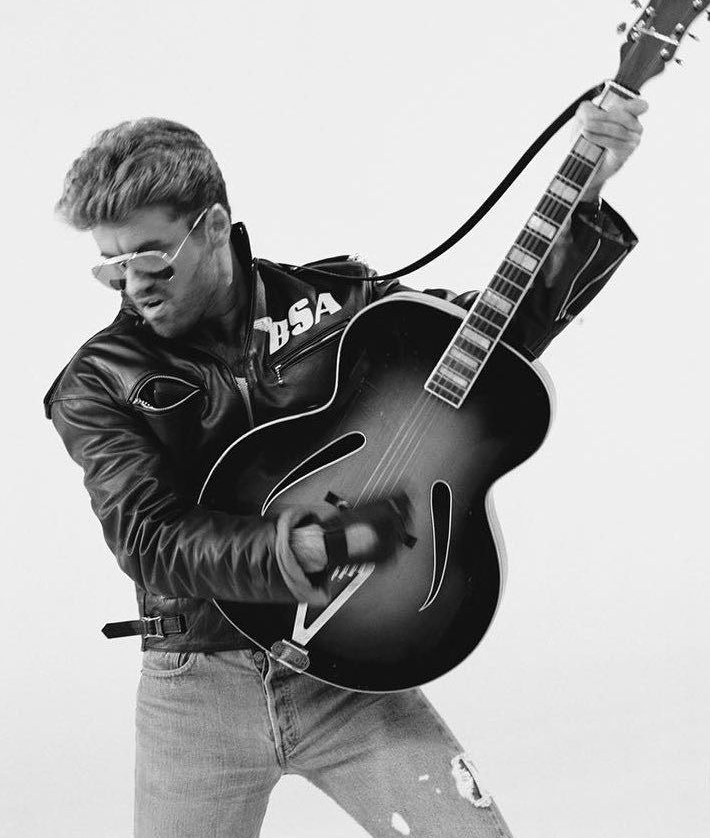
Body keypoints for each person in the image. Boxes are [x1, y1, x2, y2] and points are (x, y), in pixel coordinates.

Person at [45, 99, 646, 837]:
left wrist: (584, 195)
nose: (132, 284)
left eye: (150, 256)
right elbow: (150, 539)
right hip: (197, 685)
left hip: (351, 673)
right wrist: (303, 549)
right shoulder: (98, 379)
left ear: (212, 225)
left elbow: (490, 346)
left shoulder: (345, 304)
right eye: (110, 266)